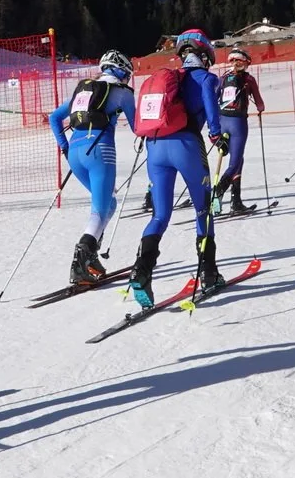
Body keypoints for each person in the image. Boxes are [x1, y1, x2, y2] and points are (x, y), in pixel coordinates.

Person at [127, 29, 225, 307]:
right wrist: (217, 135)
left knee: (160, 215)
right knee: (203, 209)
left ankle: (141, 270)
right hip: (186, 146)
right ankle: (208, 273)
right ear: (205, 55)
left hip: (155, 147)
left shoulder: (170, 78)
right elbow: (210, 107)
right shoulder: (206, 78)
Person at [49, 50, 138, 286]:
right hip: (100, 151)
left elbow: (54, 118)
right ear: (121, 71)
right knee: (99, 209)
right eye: (127, 75)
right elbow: (138, 127)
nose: (128, 79)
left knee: (109, 203)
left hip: (75, 152)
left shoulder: (84, 92)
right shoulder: (122, 92)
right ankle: (80, 263)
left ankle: (90, 257)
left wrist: (65, 148)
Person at [212, 48, 266, 215]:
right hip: (237, 123)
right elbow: (260, 104)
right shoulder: (248, 79)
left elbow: (213, 99)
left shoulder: (223, 78)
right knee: (234, 163)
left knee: (238, 161)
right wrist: (260, 108)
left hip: (222, 121)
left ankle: (236, 201)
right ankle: (218, 191)